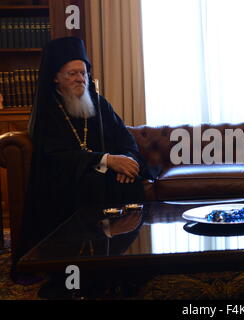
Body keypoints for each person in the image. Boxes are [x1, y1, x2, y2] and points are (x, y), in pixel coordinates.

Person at [15, 37, 157, 270]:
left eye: (83, 73)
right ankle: (90, 255)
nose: (80, 78)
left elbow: (125, 139)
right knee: (93, 181)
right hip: (68, 179)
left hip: (108, 178)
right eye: (72, 73)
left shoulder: (99, 104)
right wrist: (108, 160)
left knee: (128, 176)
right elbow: (54, 156)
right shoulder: (48, 112)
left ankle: (128, 259)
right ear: (55, 78)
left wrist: (128, 161)